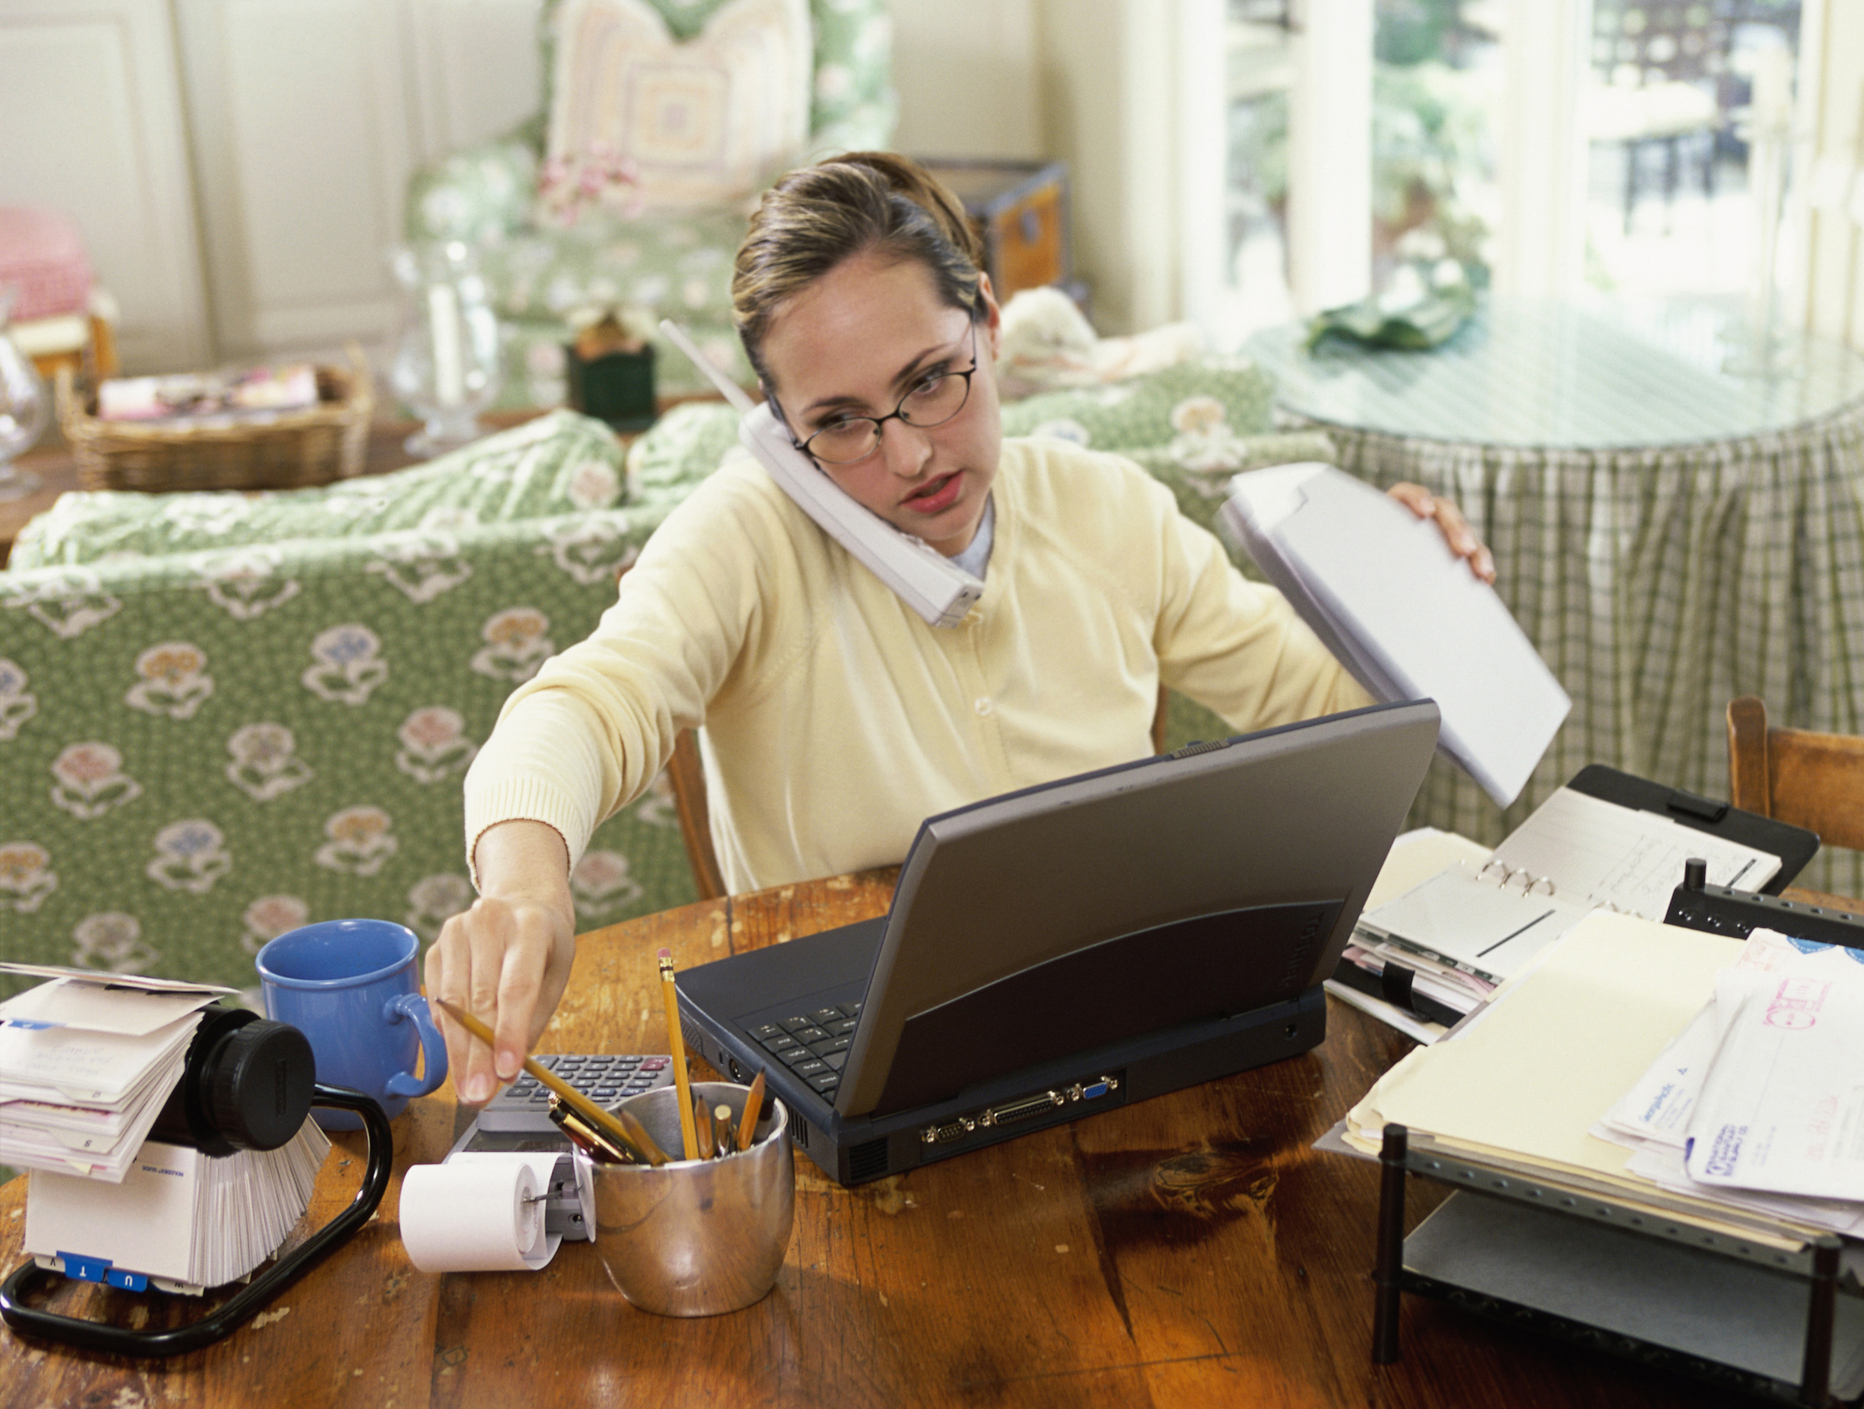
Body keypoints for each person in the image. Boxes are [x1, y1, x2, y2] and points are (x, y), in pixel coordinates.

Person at [425, 152, 1493, 1104]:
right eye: (837, 422)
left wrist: (1410, 597)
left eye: (931, 379)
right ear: (781, 431)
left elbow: (1345, 723)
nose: (908, 458)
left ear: (987, 317)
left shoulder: (1108, 507)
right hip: (859, 1048)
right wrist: (524, 885)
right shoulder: (746, 534)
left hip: (1124, 1010)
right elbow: (583, 703)